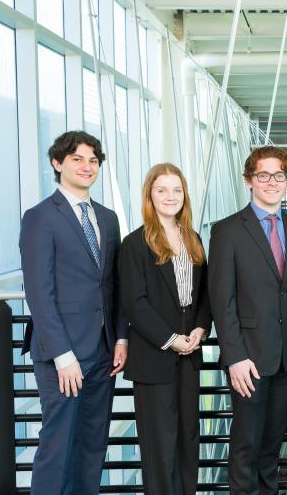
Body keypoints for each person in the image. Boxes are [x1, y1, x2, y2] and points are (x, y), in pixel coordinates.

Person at [19, 131, 128, 495]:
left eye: (93, 161)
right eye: (77, 159)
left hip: (102, 350)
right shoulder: (40, 217)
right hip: (61, 356)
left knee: (93, 442)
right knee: (58, 443)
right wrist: (63, 356)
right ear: (57, 163)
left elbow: (112, 285)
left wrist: (120, 337)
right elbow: (39, 292)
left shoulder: (107, 219)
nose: (87, 166)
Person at [208, 146, 287, 494]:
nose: (271, 182)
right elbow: (222, 301)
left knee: (271, 448)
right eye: (263, 175)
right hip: (249, 360)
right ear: (249, 180)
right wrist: (235, 357)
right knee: (245, 449)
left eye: (279, 175)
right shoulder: (227, 231)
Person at [119, 163, 211, 494]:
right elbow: (134, 302)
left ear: (184, 195)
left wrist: (201, 329)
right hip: (154, 355)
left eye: (176, 190)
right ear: (150, 195)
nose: (170, 196)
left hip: (190, 351)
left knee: (188, 438)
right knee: (159, 445)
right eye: (161, 190)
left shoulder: (193, 238)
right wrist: (171, 339)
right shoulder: (135, 243)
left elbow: (204, 294)